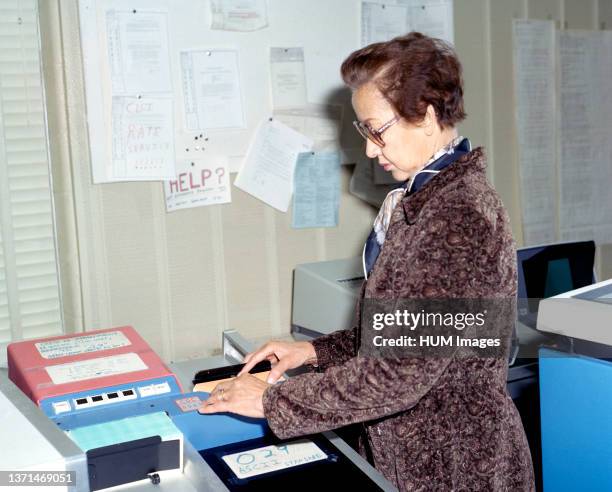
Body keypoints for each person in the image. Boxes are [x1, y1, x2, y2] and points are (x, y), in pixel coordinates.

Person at [199, 32, 535, 491]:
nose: (371, 151)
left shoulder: (457, 215)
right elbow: (406, 330)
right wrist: (316, 351)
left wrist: (274, 400)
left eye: (377, 130)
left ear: (430, 117)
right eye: (366, 133)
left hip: (455, 465)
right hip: (417, 453)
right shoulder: (423, 200)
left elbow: (401, 369)